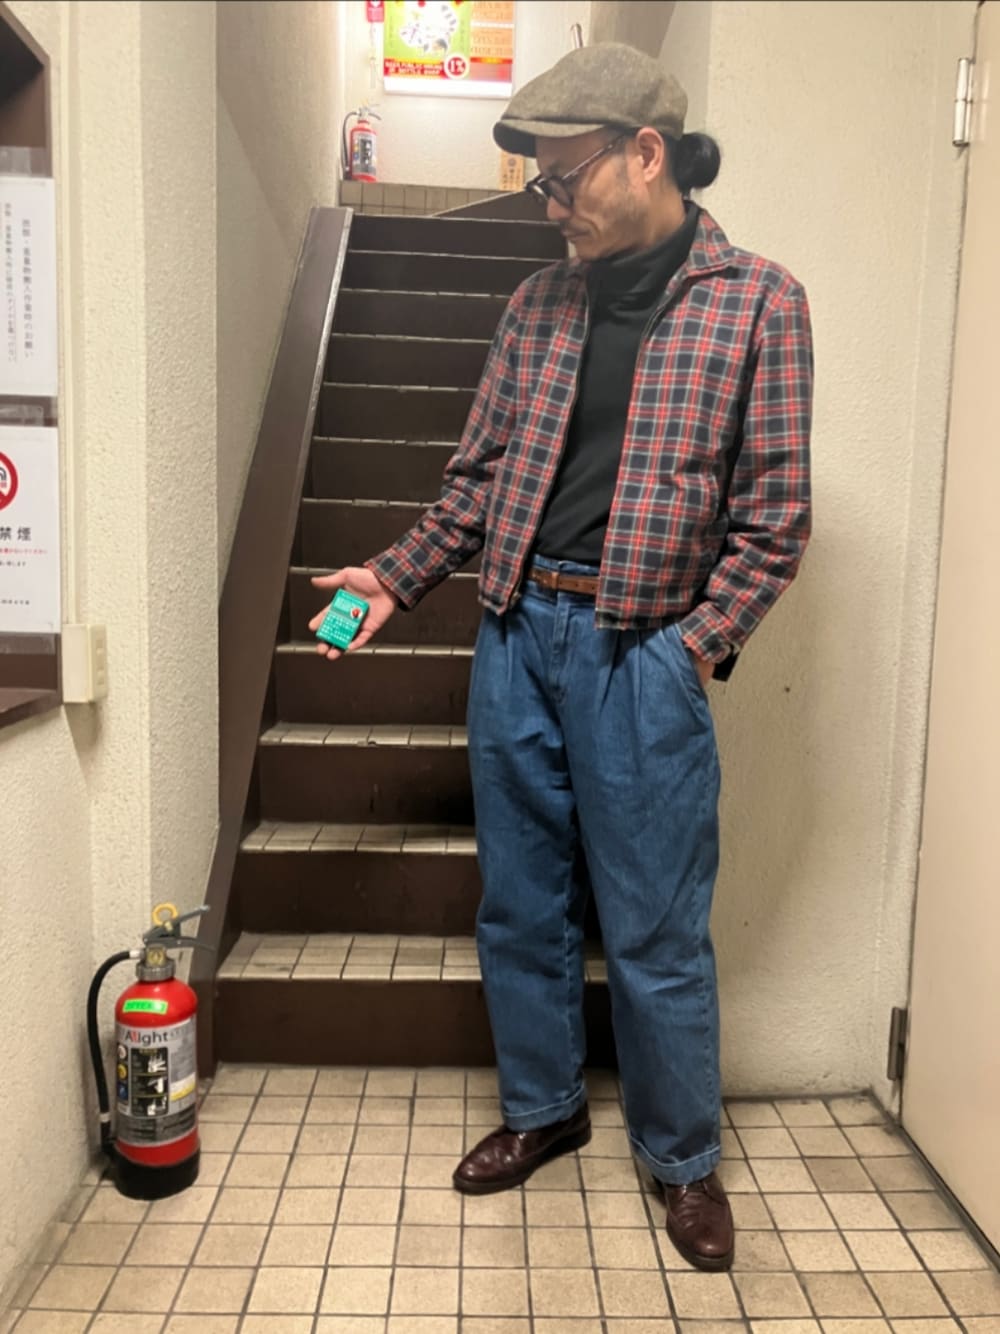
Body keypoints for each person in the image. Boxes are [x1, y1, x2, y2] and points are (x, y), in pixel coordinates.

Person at [310, 42, 813, 1271]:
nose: (547, 204)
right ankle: (543, 1108)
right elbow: (478, 482)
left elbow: (774, 517)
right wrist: (394, 575)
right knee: (521, 901)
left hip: (642, 651)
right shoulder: (535, 305)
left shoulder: (760, 302)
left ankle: (681, 1156)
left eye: (561, 176)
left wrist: (694, 646)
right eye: (536, 181)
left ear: (645, 154)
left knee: (654, 926)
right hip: (515, 634)